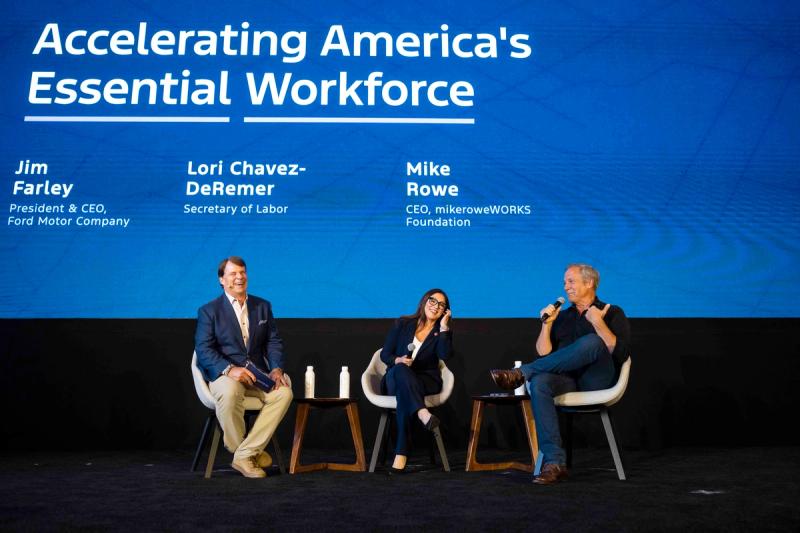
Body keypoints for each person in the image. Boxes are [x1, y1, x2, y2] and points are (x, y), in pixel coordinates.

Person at [490, 263, 630, 485]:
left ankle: (521, 373)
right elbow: (545, 354)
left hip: (597, 380)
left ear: (589, 282)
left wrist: (598, 322)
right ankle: (555, 463)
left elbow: (621, 354)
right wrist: (547, 325)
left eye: (571, 281)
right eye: (565, 282)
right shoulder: (563, 317)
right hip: (568, 380)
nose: (566, 287)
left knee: (593, 341)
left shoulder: (612, 311)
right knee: (539, 382)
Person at [195, 256, 293, 478]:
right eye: (233, 274)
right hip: (225, 374)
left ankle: (244, 454)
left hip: (257, 374)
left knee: (284, 394)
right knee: (230, 393)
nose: (239, 277)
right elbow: (203, 349)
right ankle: (249, 455)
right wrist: (230, 370)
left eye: (242, 272)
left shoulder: (262, 306)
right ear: (222, 280)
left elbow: (273, 341)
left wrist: (276, 368)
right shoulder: (208, 311)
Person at [380, 288, 453, 472]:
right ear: (424, 301)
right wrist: (398, 360)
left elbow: (445, 354)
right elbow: (385, 354)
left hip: (424, 379)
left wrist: (444, 327)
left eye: (441, 305)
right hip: (395, 377)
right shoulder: (403, 323)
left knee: (405, 394)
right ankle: (422, 413)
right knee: (401, 370)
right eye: (432, 301)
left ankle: (401, 454)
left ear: (445, 311)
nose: (435, 307)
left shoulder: (440, 332)